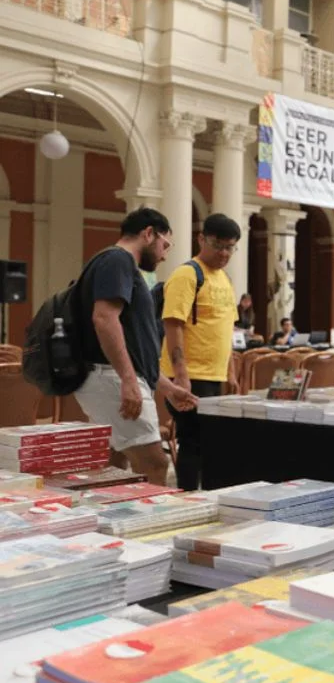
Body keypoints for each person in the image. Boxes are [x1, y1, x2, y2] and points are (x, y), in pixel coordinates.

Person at [73, 208, 197, 486]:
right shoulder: (118, 260)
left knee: (115, 463)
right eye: (165, 244)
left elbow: (134, 347)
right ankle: (154, 528)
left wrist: (166, 387)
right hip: (111, 377)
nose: (165, 255)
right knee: (155, 462)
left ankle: (109, 524)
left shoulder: (118, 265)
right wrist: (128, 380)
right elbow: (104, 319)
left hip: (112, 376)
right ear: (148, 233)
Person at [160, 213, 240, 491]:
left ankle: (202, 496)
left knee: (210, 442)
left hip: (214, 375)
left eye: (230, 247)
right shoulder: (187, 274)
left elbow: (225, 328)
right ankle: (189, 496)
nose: (224, 253)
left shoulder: (225, 279)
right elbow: (173, 323)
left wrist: (229, 371)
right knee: (193, 440)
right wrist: (181, 375)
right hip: (189, 375)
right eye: (218, 245)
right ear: (201, 239)